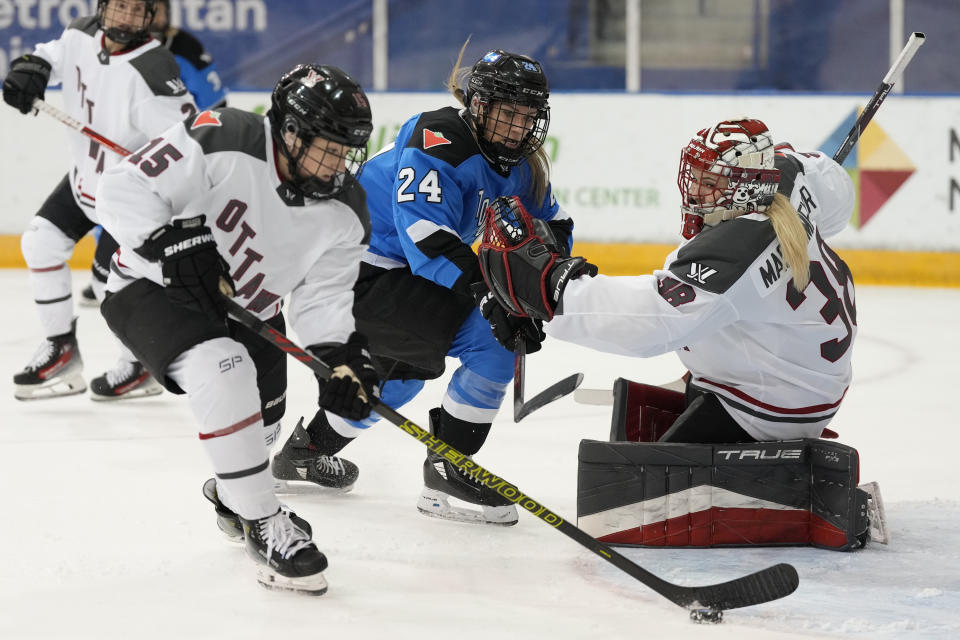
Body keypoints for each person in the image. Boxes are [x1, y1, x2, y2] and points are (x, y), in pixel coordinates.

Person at [95, 63, 378, 594]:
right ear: (290, 131)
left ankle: (236, 495)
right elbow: (120, 188)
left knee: (260, 434)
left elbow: (322, 297)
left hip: (251, 310)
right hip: (153, 286)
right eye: (328, 146)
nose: (338, 163)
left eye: (347, 150)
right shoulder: (226, 136)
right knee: (224, 371)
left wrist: (339, 355)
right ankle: (265, 523)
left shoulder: (347, 210)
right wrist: (170, 246)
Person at [270, 46, 576, 527]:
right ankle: (448, 471)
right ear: (478, 105)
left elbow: (553, 224)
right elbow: (427, 239)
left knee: (399, 381)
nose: (518, 128)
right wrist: (492, 296)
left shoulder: (521, 164)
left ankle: (306, 452)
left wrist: (553, 282)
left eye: (527, 117)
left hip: (394, 276)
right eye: (507, 114)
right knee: (491, 340)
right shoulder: (438, 139)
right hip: (353, 274)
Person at [479, 117, 857, 444]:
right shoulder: (791, 179)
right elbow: (836, 185)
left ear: (746, 186)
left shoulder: (736, 249)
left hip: (771, 409)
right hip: (806, 377)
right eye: (695, 174)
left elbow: (652, 320)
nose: (694, 188)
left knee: (631, 486)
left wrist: (552, 290)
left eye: (710, 180)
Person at [2, 0, 196, 401]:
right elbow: (51, 55)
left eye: (136, 10)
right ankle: (62, 350)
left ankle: (138, 366)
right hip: (84, 182)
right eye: (119, 6)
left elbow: (188, 144)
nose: (126, 17)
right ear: (103, 6)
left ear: (150, 17)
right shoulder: (80, 32)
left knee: (109, 284)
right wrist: (32, 69)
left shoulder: (154, 69)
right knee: (40, 242)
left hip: (128, 197)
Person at [78, 0, 227, 308]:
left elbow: (215, 109)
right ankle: (111, 268)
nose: (144, 16)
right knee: (112, 206)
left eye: (154, 9)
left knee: (173, 215)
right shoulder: (108, 45)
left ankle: (162, 275)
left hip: (175, 153)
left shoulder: (185, 48)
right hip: (128, 151)